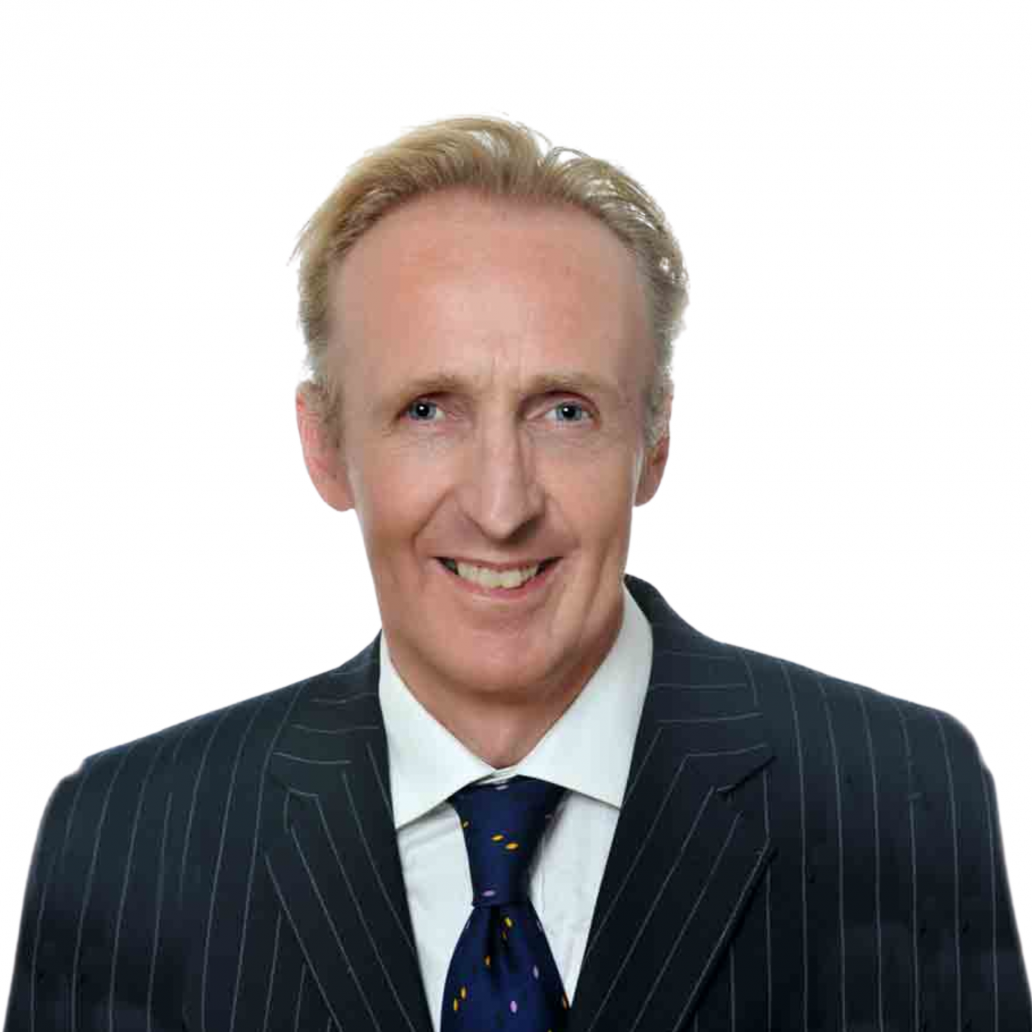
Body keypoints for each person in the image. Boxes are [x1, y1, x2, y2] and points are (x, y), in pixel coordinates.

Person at [4, 116, 1029, 1032]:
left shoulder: (903, 805)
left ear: (656, 439)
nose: (501, 506)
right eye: (428, 409)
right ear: (324, 447)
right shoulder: (123, 842)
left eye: (564, 411)